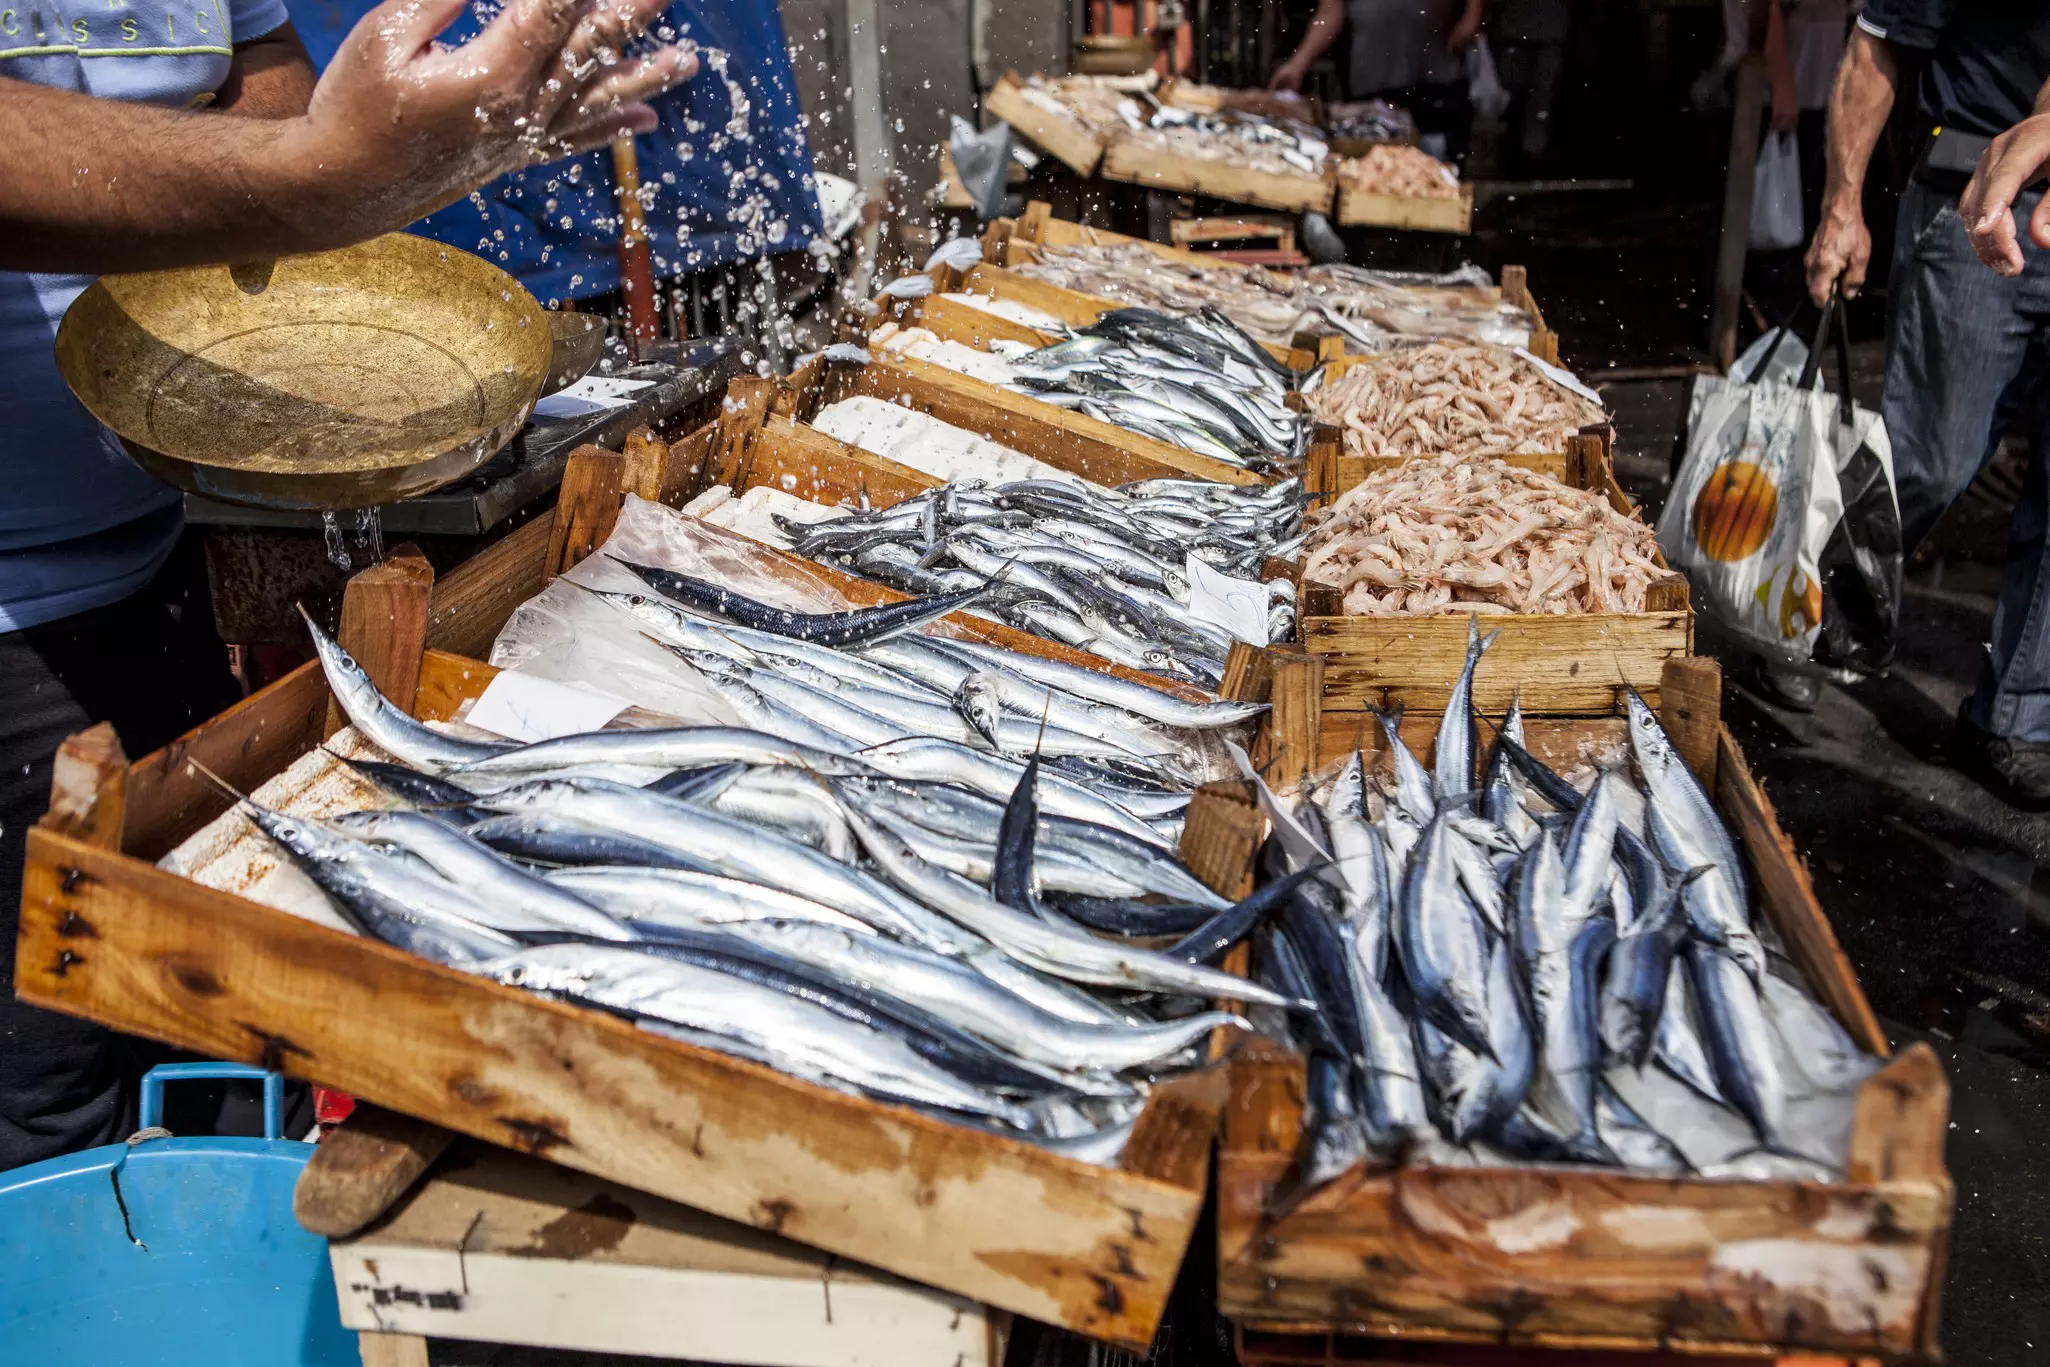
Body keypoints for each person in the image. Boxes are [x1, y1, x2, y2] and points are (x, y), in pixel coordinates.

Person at [0, 0, 698, 1170]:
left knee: (211, 1034)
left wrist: (322, 153)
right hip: (17, 613)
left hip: (174, 537)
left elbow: (262, 64)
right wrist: (316, 172)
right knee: (44, 1105)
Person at [1802, 2, 2050, 805]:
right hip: (1974, 194)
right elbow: (1876, 50)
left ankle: (2016, 716)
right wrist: (1842, 207)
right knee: (1930, 460)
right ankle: (1801, 608)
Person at [1269, 0, 1485, 166]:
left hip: (1435, 88)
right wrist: (1298, 64)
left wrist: (1473, 14)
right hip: (1372, 91)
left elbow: (1472, 17)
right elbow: (1330, 12)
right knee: (1373, 174)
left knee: (1436, 178)